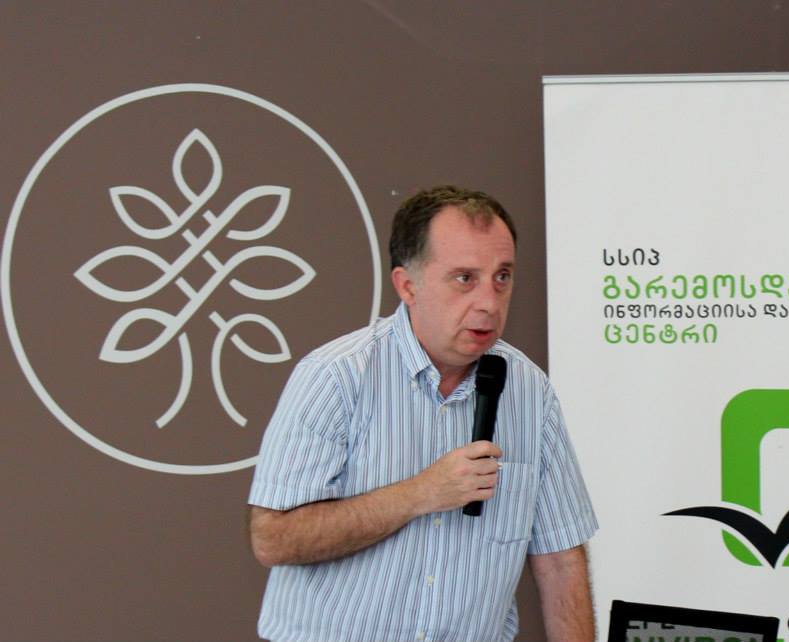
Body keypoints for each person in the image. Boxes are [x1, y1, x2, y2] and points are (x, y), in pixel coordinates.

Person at [248, 185, 598, 642]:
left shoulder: (531, 392)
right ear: (407, 285)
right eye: (465, 278)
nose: (489, 302)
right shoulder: (336, 377)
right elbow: (273, 539)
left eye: (502, 277)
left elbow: (560, 560)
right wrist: (421, 494)